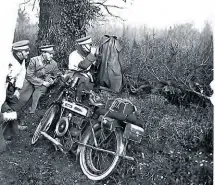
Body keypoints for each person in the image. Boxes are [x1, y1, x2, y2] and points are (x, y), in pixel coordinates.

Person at [1, 40, 30, 148]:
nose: (28, 53)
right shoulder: (6, 59)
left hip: (11, 87)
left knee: (15, 104)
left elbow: (22, 74)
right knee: (7, 111)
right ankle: (5, 135)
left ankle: (12, 129)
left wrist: (17, 89)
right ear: (18, 53)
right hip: (3, 86)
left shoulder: (21, 60)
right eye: (25, 51)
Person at [26, 45, 60, 114]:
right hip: (30, 82)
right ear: (43, 53)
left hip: (41, 87)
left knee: (40, 91)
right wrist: (42, 82)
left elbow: (57, 75)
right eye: (50, 54)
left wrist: (53, 80)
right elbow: (29, 75)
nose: (52, 56)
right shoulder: (34, 60)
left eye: (52, 54)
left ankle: (32, 111)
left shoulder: (54, 63)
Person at [68, 36, 97, 101]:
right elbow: (83, 66)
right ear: (83, 46)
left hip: (85, 76)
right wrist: (92, 54)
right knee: (83, 82)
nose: (91, 47)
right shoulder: (74, 55)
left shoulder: (87, 54)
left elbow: (93, 67)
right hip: (74, 75)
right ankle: (77, 100)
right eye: (90, 45)